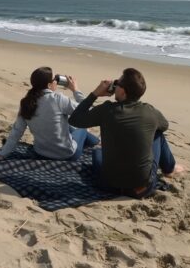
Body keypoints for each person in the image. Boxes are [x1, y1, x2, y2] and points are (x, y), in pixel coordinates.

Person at [68, 68, 183, 198]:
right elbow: (164, 126)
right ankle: (169, 169)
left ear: (122, 91)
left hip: (107, 185)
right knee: (157, 134)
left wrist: (95, 94)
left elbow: (75, 119)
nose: (115, 86)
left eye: (117, 83)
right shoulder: (150, 112)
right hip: (141, 189)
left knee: (98, 153)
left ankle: (168, 168)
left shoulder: (107, 111)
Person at [0, 67, 100, 162]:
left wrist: (2, 154)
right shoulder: (58, 99)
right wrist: (75, 90)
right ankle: (95, 143)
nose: (56, 82)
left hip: (41, 153)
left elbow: (17, 131)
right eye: (55, 79)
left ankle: (94, 142)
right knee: (82, 129)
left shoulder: (26, 102)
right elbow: (86, 111)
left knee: (66, 124)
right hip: (67, 154)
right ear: (49, 85)